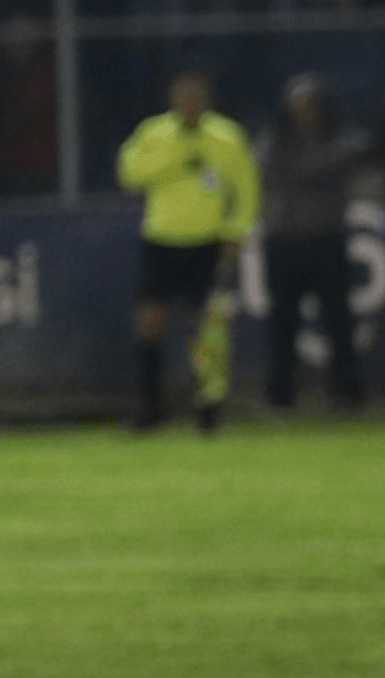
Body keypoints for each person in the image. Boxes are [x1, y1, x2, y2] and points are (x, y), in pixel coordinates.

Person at [116, 67, 261, 432]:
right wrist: (175, 159)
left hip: (207, 241)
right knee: (150, 320)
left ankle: (209, 403)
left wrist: (236, 233)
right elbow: (129, 174)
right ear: (173, 99)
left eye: (196, 96)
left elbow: (246, 189)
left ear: (206, 99)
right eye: (183, 96)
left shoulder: (226, 136)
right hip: (162, 239)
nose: (189, 103)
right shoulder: (156, 133)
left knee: (207, 327)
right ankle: (151, 407)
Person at [255, 72, 370, 413]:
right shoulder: (274, 140)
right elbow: (265, 166)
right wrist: (313, 171)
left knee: (339, 321)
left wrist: (304, 170)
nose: (305, 111)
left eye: (311, 104)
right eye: (298, 105)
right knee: (282, 323)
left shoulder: (339, 139)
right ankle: (280, 398)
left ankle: (347, 395)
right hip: (284, 243)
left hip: (326, 240)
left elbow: (346, 155)